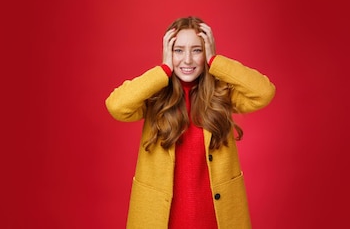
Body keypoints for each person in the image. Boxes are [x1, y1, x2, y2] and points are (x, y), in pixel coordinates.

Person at [105, 16, 275, 229]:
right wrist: (164, 69)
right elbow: (116, 106)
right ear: (168, 52)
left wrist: (216, 62)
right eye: (178, 50)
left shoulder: (221, 94)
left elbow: (264, 92)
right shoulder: (154, 96)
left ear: (207, 52)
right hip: (160, 221)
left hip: (217, 221)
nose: (187, 60)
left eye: (197, 50)